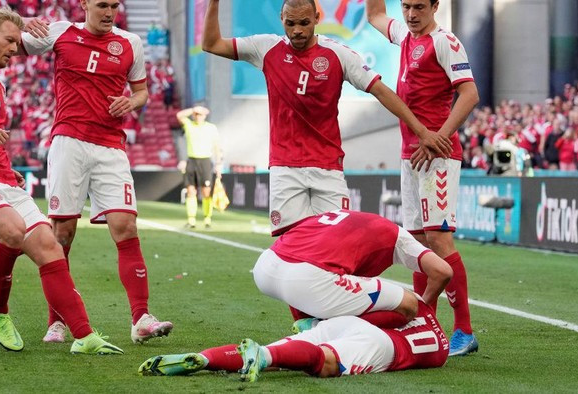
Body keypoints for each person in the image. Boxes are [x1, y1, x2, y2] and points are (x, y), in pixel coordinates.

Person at [0, 6, 122, 355]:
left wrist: (5, 166)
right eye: (10, 40)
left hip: (0, 176)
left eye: (17, 41)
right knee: (13, 232)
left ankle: (85, 336)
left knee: (49, 246)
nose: (16, 49)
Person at [202, 0, 452, 236]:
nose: (297, 30)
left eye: (304, 23)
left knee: (336, 242)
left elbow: (382, 92)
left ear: (317, 18)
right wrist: (213, 3)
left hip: (328, 167)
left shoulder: (338, 54)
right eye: (290, 24)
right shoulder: (266, 47)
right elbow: (211, 44)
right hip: (284, 167)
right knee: (290, 246)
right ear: (281, 20)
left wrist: (422, 131)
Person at [20, 0, 173, 344]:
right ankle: (56, 321)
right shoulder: (61, 32)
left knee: (126, 225)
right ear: (85, 4)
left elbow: (142, 91)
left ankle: (141, 318)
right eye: (102, 5)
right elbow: (14, 46)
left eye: (114, 6)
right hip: (68, 142)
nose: (109, 12)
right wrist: (24, 22)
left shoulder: (130, 43)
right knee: (62, 235)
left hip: (110, 146)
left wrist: (132, 102)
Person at [366, 0, 480, 356]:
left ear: (435, 6)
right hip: (409, 155)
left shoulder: (445, 41)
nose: (411, 14)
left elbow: (470, 93)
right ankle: (423, 321)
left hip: (438, 156)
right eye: (406, 6)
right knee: (415, 243)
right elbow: (373, 15)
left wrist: (439, 137)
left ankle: (463, 331)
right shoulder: (403, 35)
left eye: (419, 6)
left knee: (439, 241)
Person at [139, 295, 448, 382]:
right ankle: (263, 357)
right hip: (384, 348)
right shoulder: (441, 350)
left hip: (351, 324)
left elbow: (382, 314)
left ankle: (208, 358)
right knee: (324, 363)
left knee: (283, 349)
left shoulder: (412, 302)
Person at [252, 209, 452, 331]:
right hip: (308, 278)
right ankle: (320, 330)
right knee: (409, 303)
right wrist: (423, 309)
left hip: (266, 266)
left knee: (323, 281)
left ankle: (308, 330)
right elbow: (443, 271)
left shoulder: (342, 217)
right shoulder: (399, 237)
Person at [176, 105, 222, 228]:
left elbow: (217, 147)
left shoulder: (211, 128)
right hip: (192, 160)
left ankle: (207, 218)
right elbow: (179, 115)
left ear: (205, 116)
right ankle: (191, 220)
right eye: (196, 114)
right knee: (191, 191)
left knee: (206, 192)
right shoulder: (189, 125)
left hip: (205, 161)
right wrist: (193, 109)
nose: (198, 116)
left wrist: (218, 164)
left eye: (200, 114)